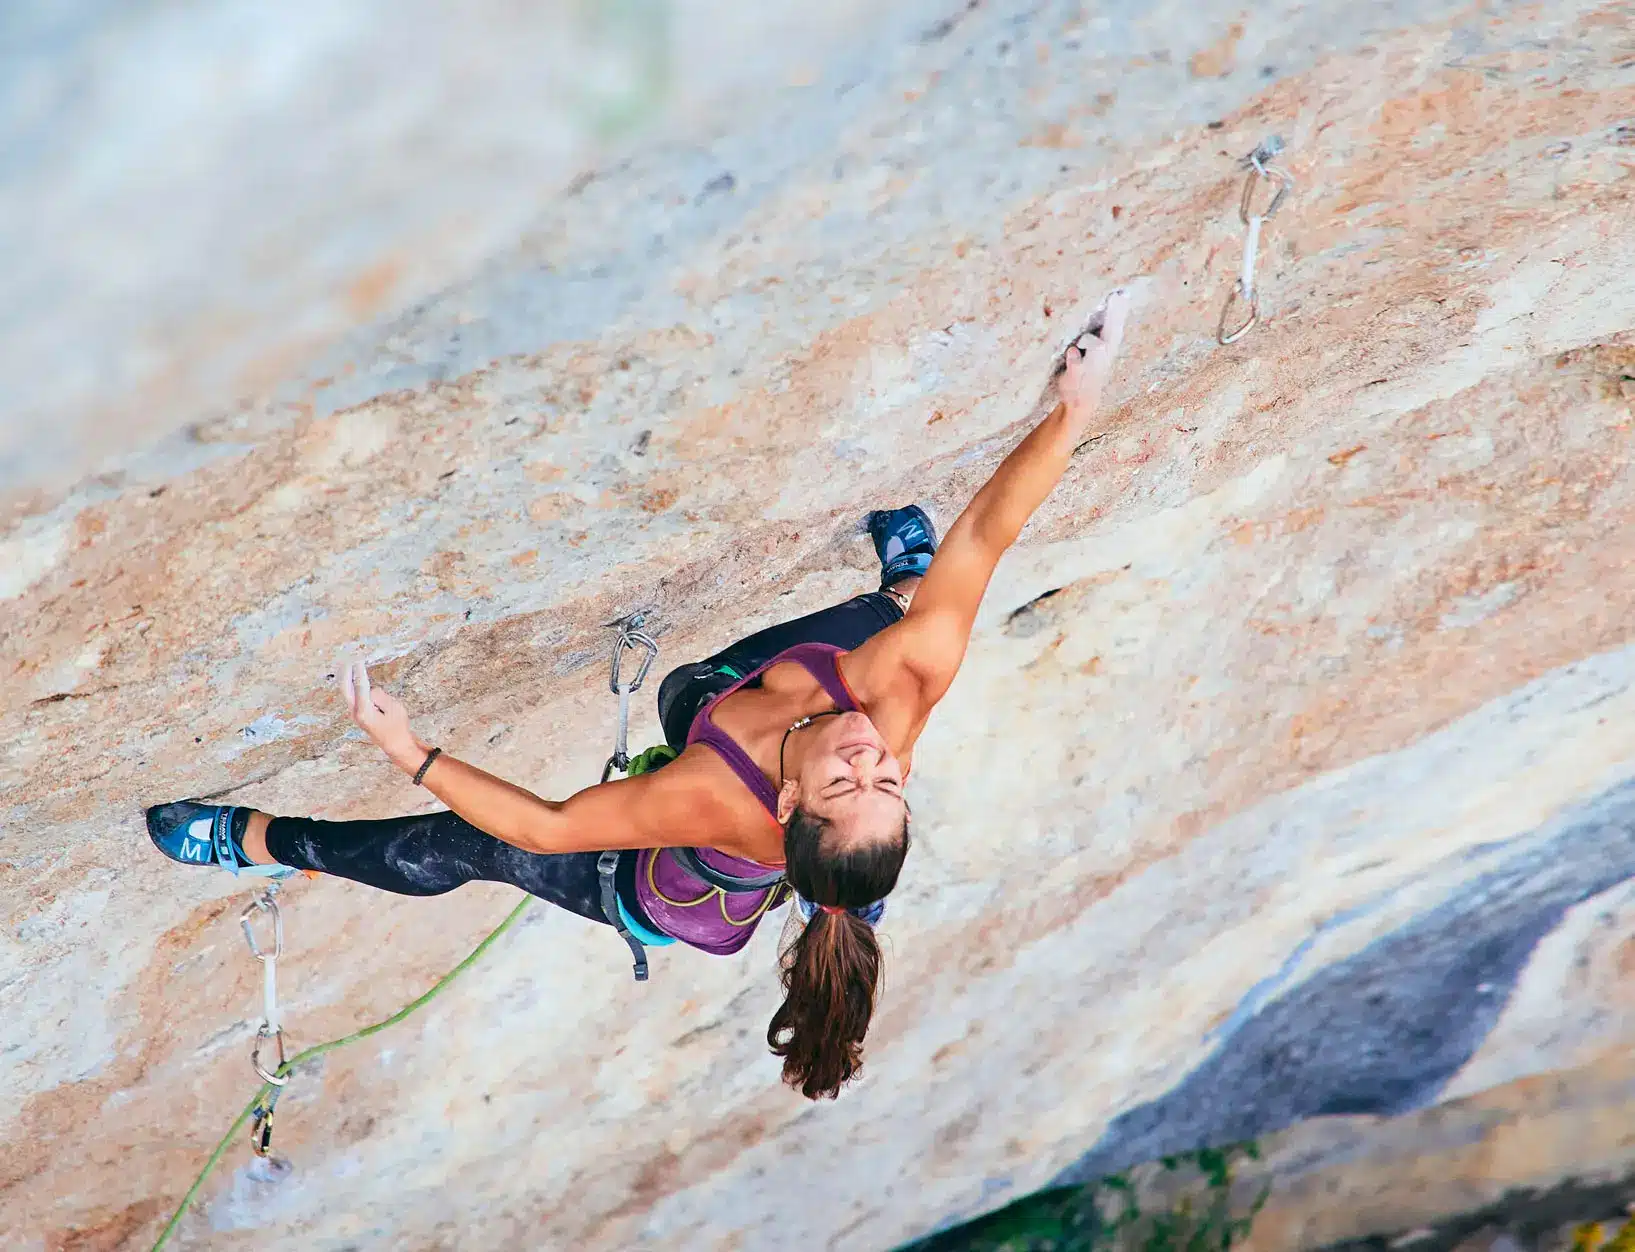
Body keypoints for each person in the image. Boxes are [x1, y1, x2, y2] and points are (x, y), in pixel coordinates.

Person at [147, 291, 1130, 1100]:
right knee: (835, 643)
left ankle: (256, 840)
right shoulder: (893, 706)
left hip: (658, 886)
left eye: (849, 778)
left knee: (461, 846)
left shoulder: (709, 798)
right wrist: (1076, 410)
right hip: (755, 719)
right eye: (887, 778)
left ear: (791, 804)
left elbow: (542, 826)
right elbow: (987, 537)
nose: (872, 751)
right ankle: (894, 588)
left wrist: (411, 751)